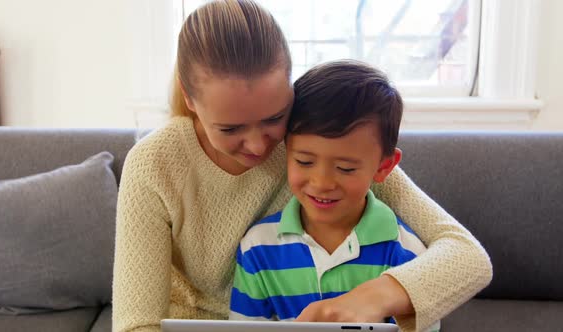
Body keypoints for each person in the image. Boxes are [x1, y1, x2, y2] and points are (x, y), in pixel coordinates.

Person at [112, 1, 492, 332]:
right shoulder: (153, 164)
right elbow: (136, 324)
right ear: (190, 98)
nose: (260, 145)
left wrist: (377, 295)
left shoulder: (311, 143)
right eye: (230, 128)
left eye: (274, 117)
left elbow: (467, 256)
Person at [228, 60, 440, 331]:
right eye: (304, 162)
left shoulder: (407, 255)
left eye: (345, 168)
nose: (322, 183)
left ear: (384, 166)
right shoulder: (257, 248)